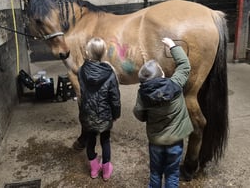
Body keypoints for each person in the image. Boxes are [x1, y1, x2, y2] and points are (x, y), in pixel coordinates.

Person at [133, 37, 193, 188]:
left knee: (155, 173)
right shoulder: (175, 84)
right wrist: (173, 46)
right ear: (162, 75)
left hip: (156, 142)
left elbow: (139, 115)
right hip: (175, 141)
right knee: (172, 174)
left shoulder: (143, 95)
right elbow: (184, 65)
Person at [77, 37, 121, 181]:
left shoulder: (81, 71)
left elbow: (83, 93)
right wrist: (116, 114)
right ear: (103, 53)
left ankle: (94, 169)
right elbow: (114, 98)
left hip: (88, 114)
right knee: (105, 141)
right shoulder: (110, 72)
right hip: (104, 115)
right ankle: (106, 172)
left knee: (90, 141)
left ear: (88, 52)